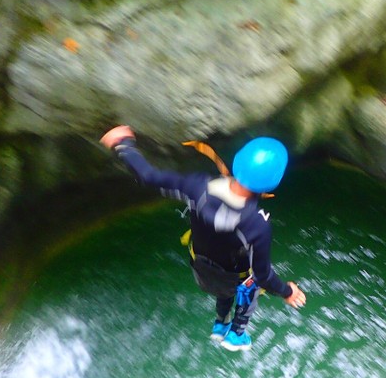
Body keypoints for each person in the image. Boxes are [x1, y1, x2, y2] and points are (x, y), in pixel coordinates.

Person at [99, 125, 307, 351]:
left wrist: (124, 145)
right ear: (272, 183)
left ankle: (220, 324)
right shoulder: (256, 223)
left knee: (226, 287)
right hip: (231, 278)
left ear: (238, 162)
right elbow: (263, 275)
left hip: (202, 271)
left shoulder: (198, 186)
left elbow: (149, 176)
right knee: (250, 281)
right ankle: (236, 334)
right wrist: (288, 291)